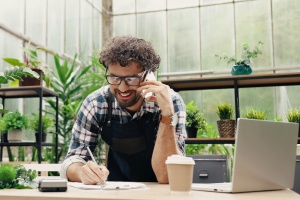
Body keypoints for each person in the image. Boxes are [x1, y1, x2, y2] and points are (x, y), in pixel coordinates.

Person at [60, 35, 187, 184]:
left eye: (131, 79)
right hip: (118, 190)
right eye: (114, 78)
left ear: (149, 76)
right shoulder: (96, 103)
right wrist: (82, 172)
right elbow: (73, 159)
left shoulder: (170, 102)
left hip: (161, 193)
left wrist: (167, 116)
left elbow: (167, 176)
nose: (122, 88)